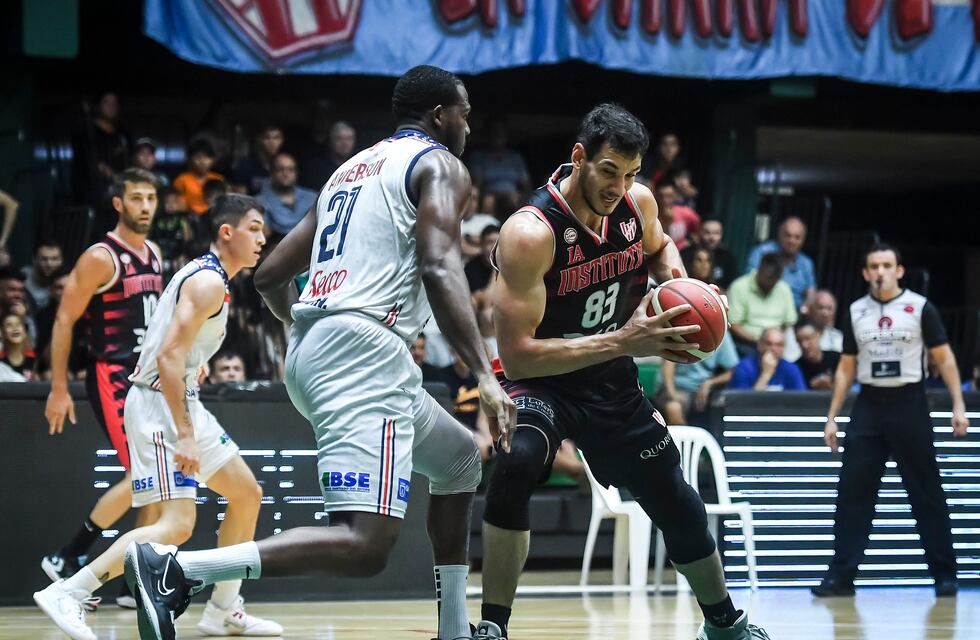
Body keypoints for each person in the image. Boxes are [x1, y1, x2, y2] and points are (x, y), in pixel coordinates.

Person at [125, 64, 516, 640]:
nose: (468, 123)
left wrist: (318, 330)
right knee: (366, 545)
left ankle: (456, 629)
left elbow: (269, 274)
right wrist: (485, 372)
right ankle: (176, 570)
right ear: (440, 115)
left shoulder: (349, 171)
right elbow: (439, 264)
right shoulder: (440, 164)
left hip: (319, 347)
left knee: (459, 459)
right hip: (362, 351)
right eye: (464, 111)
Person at [477, 103, 768, 640]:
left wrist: (681, 294)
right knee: (516, 462)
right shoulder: (530, 232)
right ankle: (493, 626)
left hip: (607, 378)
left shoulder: (637, 204)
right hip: (540, 380)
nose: (618, 186)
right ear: (579, 157)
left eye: (630, 174)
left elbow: (661, 249)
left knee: (674, 495)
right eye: (608, 170)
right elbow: (517, 355)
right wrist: (628, 340)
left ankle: (724, 623)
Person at [34, 195, 282, 640]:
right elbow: (167, 356)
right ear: (227, 232)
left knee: (247, 494)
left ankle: (223, 609)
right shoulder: (207, 282)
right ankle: (70, 592)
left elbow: (174, 348)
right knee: (176, 525)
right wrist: (185, 433)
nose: (263, 238)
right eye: (255, 228)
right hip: (159, 406)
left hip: (180, 398)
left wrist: (193, 364)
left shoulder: (209, 277)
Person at [40, 168, 165, 610]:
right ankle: (68, 555)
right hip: (111, 375)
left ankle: (135, 582)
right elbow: (63, 320)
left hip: (146, 378)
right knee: (143, 477)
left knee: (156, 485)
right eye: (136, 198)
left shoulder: (154, 253)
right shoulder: (101, 256)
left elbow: (160, 324)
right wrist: (59, 386)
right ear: (119, 203)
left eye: (151, 197)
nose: (145, 206)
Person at [814, 243, 969, 598]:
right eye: (874, 266)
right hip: (869, 404)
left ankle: (945, 575)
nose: (880, 271)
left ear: (899, 271)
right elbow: (846, 367)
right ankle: (841, 577)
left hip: (908, 403)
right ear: (866, 273)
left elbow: (944, 359)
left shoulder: (919, 307)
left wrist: (958, 405)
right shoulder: (855, 310)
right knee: (853, 493)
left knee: (926, 492)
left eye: (887, 265)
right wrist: (832, 417)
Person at [657, 330, 739, 424]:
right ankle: (686, 438)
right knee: (673, 407)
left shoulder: (721, 333)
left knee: (725, 405)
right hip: (677, 387)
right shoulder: (683, 328)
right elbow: (668, 362)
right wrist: (672, 394)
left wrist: (710, 383)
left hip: (703, 389)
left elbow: (733, 371)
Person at [727, 252, 798, 354]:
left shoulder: (784, 289)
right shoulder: (739, 286)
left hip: (777, 343)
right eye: (768, 279)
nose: (770, 284)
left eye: (774, 281)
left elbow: (789, 323)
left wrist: (776, 343)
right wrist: (760, 341)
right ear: (760, 270)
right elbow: (734, 324)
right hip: (748, 343)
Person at [745, 216, 816, 310]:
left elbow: (811, 293)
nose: (792, 241)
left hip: (794, 314)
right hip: (761, 305)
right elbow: (749, 281)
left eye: (797, 237)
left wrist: (804, 309)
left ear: (803, 240)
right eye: (788, 235)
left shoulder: (806, 263)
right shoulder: (762, 252)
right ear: (779, 235)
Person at [256, 152, 318, 243]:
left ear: (296, 173)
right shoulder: (260, 202)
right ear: (272, 173)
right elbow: (263, 235)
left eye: (290, 169)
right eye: (280, 169)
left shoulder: (312, 197)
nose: (286, 173)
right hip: (274, 249)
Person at [729, 327, 806, 391]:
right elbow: (744, 405)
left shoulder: (791, 369)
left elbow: (801, 403)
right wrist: (766, 374)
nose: (774, 349)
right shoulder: (744, 368)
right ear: (759, 345)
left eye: (779, 345)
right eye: (769, 344)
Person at [783, 289, 843, 362]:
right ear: (810, 309)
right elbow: (790, 362)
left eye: (829, 308)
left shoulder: (838, 337)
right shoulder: (793, 333)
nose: (825, 313)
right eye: (820, 308)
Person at [682, 217, 737, 290]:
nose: (712, 238)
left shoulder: (728, 257)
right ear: (699, 232)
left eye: (716, 233)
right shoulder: (686, 254)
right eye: (707, 233)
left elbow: (731, 286)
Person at [174, 139, 224, 215]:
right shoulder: (182, 180)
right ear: (190, 160)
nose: (203, 161)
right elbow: (177, 205)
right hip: (190, 219)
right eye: (198, 157)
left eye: (207, 157)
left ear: (213, 160)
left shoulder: (219, 179)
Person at [233, 123, 286, 195]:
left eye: (276, 138)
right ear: (259, 140)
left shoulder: (285, 166)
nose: (272, 142)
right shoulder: (245, 165)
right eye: (267, 138)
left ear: (282, 141)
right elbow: (240, 198)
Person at [303, 120, 357, 190]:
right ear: (331, 141)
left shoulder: (358, 166)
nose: (344, 144)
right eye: (339, 139)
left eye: (349, 139)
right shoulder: (316, 167)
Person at [792, 317, 840, 390]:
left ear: (820, 334)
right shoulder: (795, 368)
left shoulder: (837, 359)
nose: (804, 345)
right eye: (799, 340)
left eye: (808, 338)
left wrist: (831, 386)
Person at [22, 241, 64, 312]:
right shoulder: (22, 278)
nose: (49, 264)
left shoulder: (65, 281)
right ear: (34, 260)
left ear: (61, 261)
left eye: (54, 259)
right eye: (44, 259)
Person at [0, 312, 35, 380]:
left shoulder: (33, 359)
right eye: (9, 325)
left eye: (18, 324)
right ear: (2, 333)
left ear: (25, 332)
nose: (15, 328)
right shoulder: (1, 360)